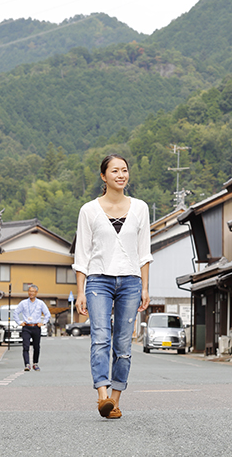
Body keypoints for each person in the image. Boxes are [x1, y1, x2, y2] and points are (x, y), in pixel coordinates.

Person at [73, 154, 152, 419]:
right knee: (100, 337)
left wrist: (145, 287)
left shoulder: (140, 208)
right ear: (103, 176)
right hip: (98, 280)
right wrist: (81, 290)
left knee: (123, 344)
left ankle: (115, 400)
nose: (121, 175)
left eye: (125, 170)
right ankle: (102, 395)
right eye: (115, 171)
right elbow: (82, 254)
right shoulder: (89, 210)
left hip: (131, 281)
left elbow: (144, 252)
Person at [14, 284, 51, 371]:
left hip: (36, 327)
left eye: (33, 291)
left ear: (36, 293)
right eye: (30, 291)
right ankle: (27, 364)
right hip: (26, 327)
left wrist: (43, 323)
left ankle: (35, 363)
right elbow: (15, 313)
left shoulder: (40, 303)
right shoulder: (23, 303)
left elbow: (47, 314)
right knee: (25, 346)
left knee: (36, 346)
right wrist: (19, 322)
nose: (31, 293)